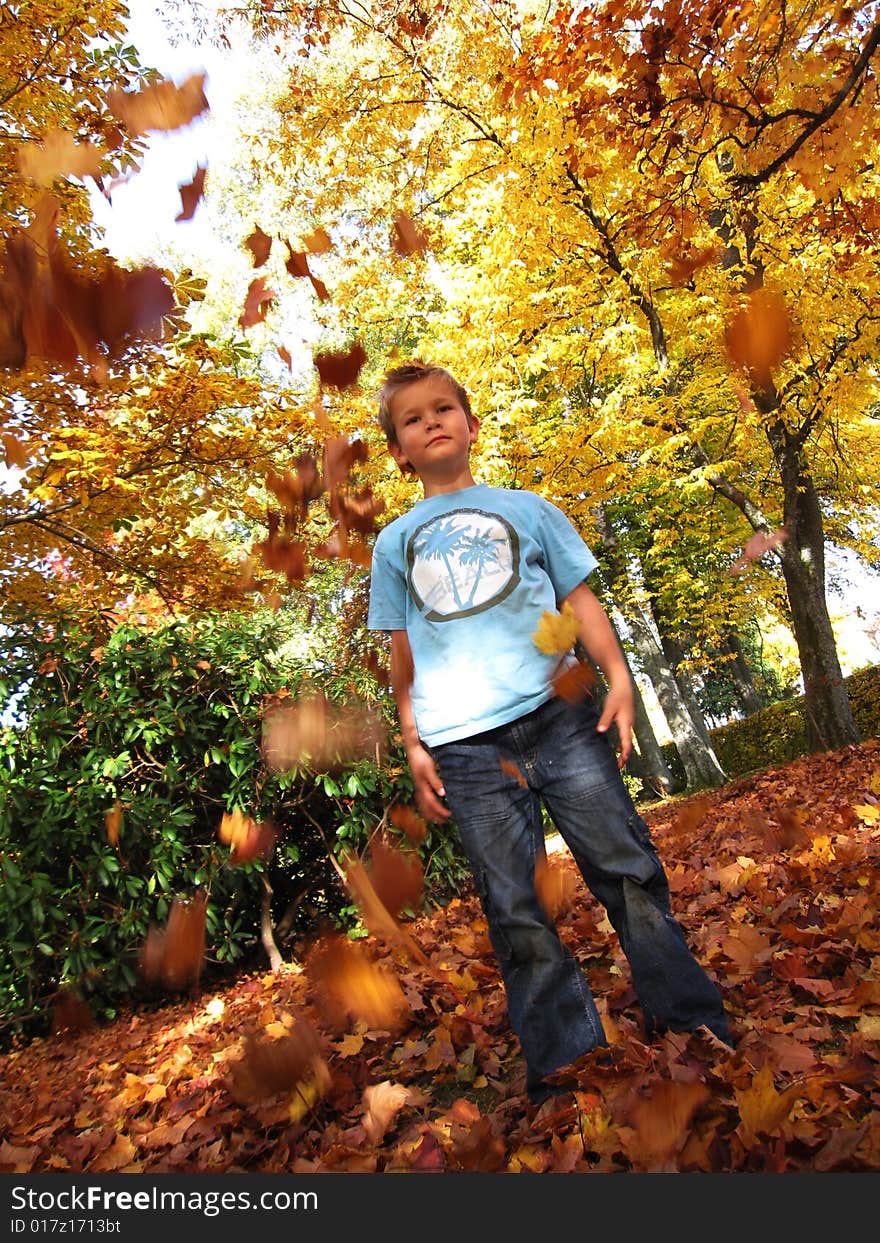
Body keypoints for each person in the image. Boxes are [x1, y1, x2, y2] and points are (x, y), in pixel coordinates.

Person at [367, 359, 731, 1106]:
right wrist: (412, 740)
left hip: (558, 717)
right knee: (516, 909)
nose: (433, 421)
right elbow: (402, 651)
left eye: (445, 408)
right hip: (467, 750)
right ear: (399, 450)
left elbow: (577, 599)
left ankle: (691, 1020)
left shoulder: (526, 509)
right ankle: (568, 1068)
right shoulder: (394, 543)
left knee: (625, 868)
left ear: (471, 424)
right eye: (413, 418)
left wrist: (619, 675)